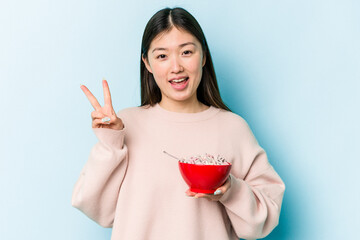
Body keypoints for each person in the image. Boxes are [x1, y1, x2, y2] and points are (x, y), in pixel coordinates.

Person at [71, 7, 285, 240]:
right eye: (162, 56)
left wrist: (230, 191)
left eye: (186, 52)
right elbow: (94, 207)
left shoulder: (233, 128)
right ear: (148, 63)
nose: (176, 67)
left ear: (203, 55)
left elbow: (264, 219)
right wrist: (109, 144)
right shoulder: (127, 125)